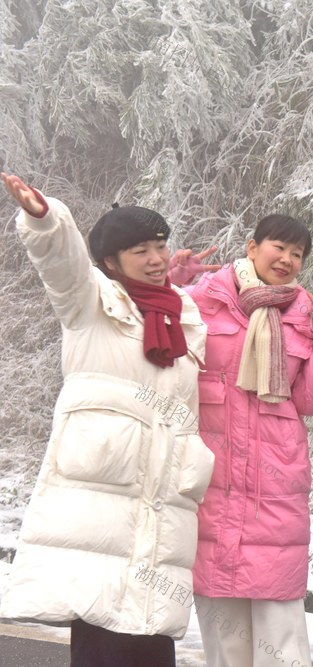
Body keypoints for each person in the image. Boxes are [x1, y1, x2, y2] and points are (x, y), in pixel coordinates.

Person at [0, 173, 215, 666]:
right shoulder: (90, 305)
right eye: (141, 250)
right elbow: (63, 264)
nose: (157, 258)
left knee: (152, 638)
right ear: (110, 262)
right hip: (100, 507)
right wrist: (45, 220)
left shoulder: (180, 317)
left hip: (161, 507)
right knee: (101, 638)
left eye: (160, 245)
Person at [169, 214, 313, 667]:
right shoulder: (203, 301)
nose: (286, 260)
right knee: (222, 624)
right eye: (278, 248)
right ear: (251, 247)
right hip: (215, 478)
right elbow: (156, 341)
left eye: (297, 254)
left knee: (280, 629)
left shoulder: (304, 312)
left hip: (275, 484)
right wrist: (170, 286)